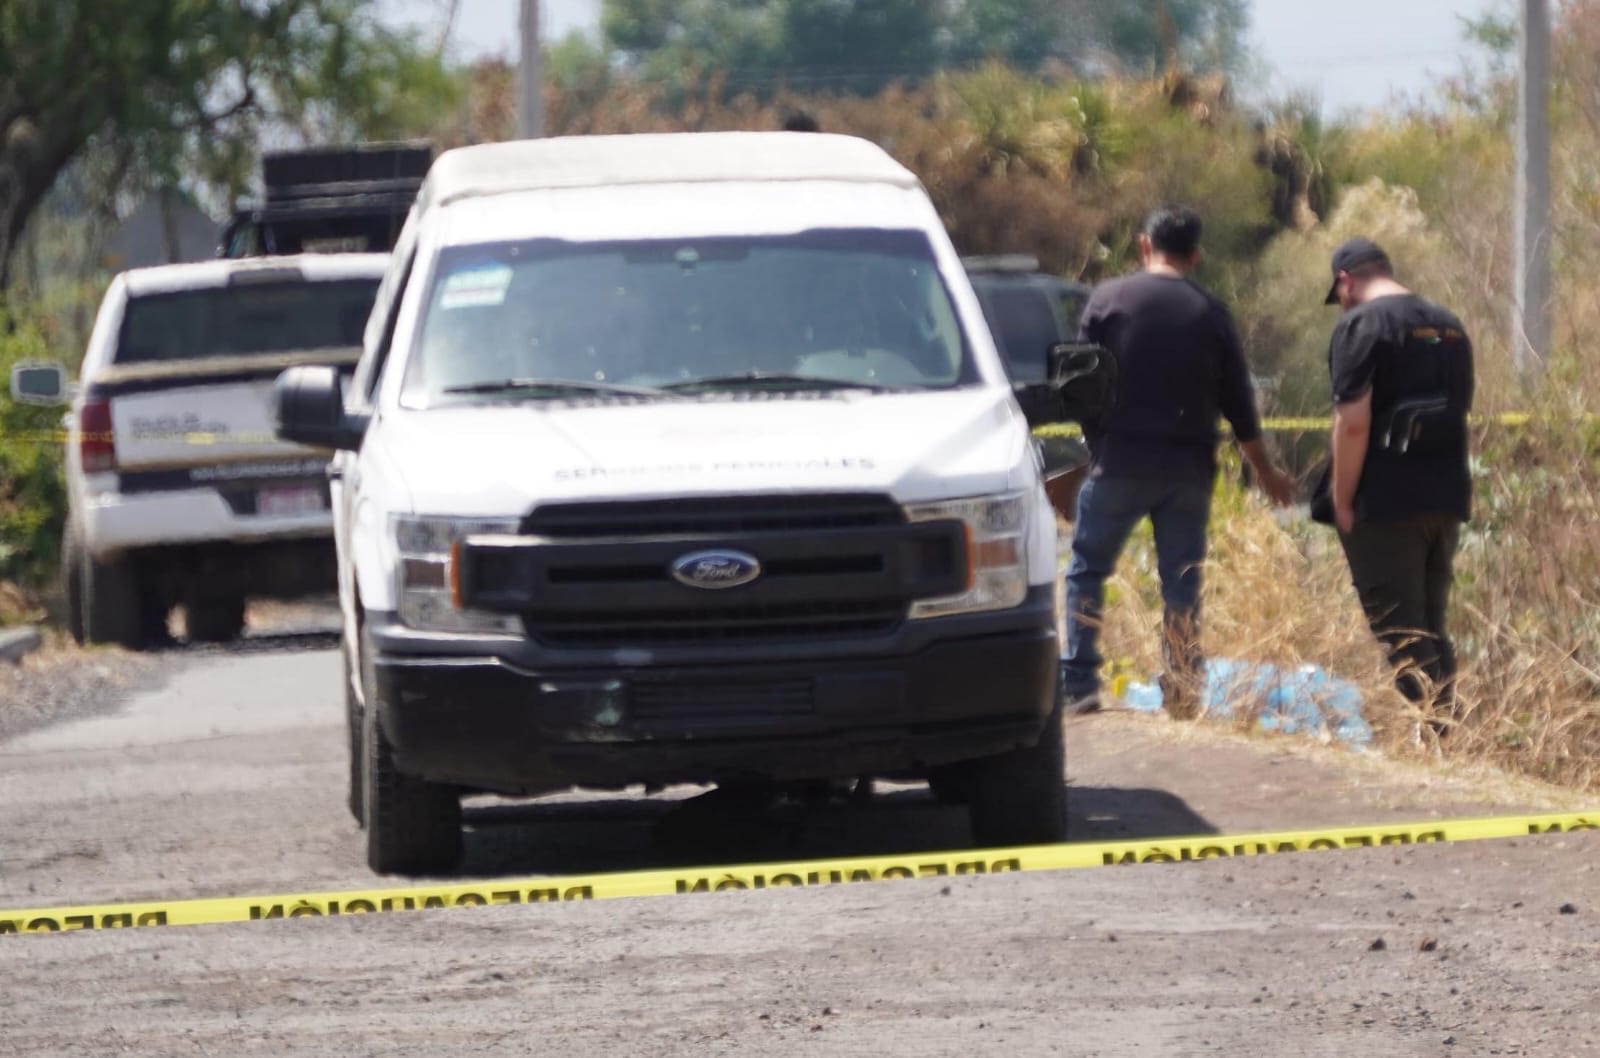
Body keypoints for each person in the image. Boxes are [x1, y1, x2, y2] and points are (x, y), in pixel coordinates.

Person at [1061, 205, 1294, 719]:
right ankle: (1183, 689)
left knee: (1086, 570)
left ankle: (1078, 684)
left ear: (1144, 246)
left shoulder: (1107, 301)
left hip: (1118, 463)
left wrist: (1099, 445)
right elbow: (1240, 406)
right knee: (1181, 582)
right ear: (1196, 256)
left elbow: (1078, 388)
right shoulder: (1210, 314)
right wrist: (1266, 471)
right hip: (1187, 473)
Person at [1322, 237, 1474, 732]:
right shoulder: (1448, 326)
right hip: (1446, 495)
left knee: (1401, 633)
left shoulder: (1361, 325)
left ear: (1346, 280)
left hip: (1385, 505)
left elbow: (1353, 424)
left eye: (1339, 291)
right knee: (1431, 627)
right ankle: (1448, 737)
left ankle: (1442, 736)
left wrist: (1341, 500)